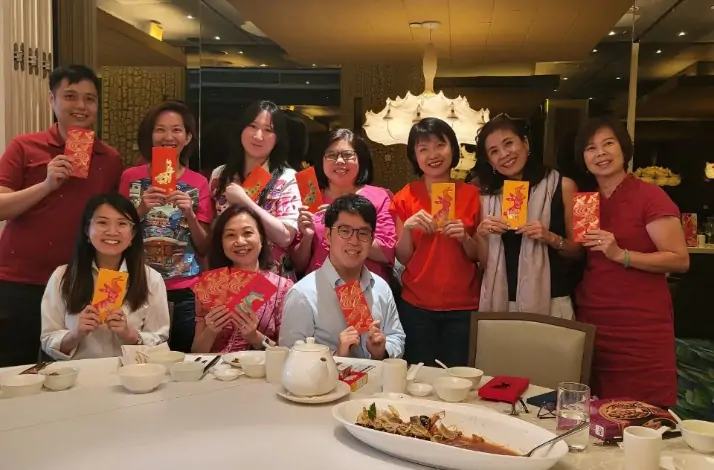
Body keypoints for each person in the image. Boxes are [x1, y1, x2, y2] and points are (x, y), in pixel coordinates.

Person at [0, 65, 124, 366]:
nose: (80, 106)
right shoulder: (25, 146)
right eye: (70, 96)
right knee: (14, 369)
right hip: (21, 280)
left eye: (90, 99)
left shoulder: (109, 158)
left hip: (77, 283)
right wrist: (47, 184)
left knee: (67, 368)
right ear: (51, 100)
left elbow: (111, 220)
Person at [574, 117, 689, 407]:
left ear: (624, 149)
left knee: (643, 412)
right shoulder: (585, 203)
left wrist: (621, 255)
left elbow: (679, 260)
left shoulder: (650, 195)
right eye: (590, 148)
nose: (600, 153)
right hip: (594, 320)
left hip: (639, 326)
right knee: (597, 413)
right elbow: (582, 257)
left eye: (608, 143)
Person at [119, 101, 212, 353]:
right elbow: (115, 235)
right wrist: (140, 210)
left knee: (181, 358)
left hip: (184, 289)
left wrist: (189, 214)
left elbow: (204, 245)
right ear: (150, 135)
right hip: (138, 284)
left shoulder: (199, 183)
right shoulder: (131, 177)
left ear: (188, 137)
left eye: (177, 130)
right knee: (139, 354)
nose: (168, 137)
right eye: (160, 129)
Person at [390, 117, 481, 367]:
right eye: (423, 149)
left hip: (462, 306)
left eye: (440, 145)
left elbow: (479, 255)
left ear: (453, 148)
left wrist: (464, 236)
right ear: (415, 157)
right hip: (417, 305)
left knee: (458, 381)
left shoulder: (473, 195)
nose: (433, 154)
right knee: (419, 379)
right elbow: (403, 257)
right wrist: (407, 228)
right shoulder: (405, 196)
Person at [40, 194, 170, 360]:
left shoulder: (151, 279)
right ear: (87, 230)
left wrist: (130, 335)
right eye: (102, 222)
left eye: (122, 223)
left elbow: (160, 340)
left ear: (132, 234)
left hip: (133, 377)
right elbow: (47, 339)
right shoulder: (62, 276)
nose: (112, 232)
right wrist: (76, 334)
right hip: (78, 376)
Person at [475, 115, 580, 318]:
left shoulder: (564, 186)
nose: (504, 154)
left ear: (525, 143)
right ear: (490, 162)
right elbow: (483, 262)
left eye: (509, 143)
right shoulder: (486, 197)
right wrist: (480, 234)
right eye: (494, 151)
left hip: (552, 299)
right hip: (501, 300)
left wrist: (548, 236)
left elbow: (577, 251)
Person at [279, 194, 405, 359]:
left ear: (372, 238)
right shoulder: (302, 294)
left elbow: (397, 336)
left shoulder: (380, 286)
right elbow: (289, 356)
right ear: (328, 235)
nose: (354, 241)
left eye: (363, 233)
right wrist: (335, 356)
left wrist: (383, 350)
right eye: (344, 231)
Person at [210, 101, 301, 280]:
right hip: (229, 277)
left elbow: (285, 237)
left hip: (273, 281)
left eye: (268, 130)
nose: (258, 136)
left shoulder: (288, 177)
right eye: (252, 126)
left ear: (278, 138)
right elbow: (213, 229)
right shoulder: (219, 175)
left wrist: (244, 201)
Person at [291, 129, 396, 280]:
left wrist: (345, 223)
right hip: (319, 290)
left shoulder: (379, 196)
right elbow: (298, 264)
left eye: (347, 155)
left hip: (363, 289)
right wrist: (307, 238)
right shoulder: (310, 196)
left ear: (360, 159)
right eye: (331, 155)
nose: (339, 161)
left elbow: (387, 253)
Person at [192, 205, 293, 353]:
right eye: (230, 235)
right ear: (221, 242)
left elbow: (287, 353)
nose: (240, 241)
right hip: (217, 372)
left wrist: (255, 337)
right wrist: (211, 331)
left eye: (247, 233)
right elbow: (195, 352)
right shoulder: (210, 284)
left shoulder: (282, 287)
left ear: (261, 237)